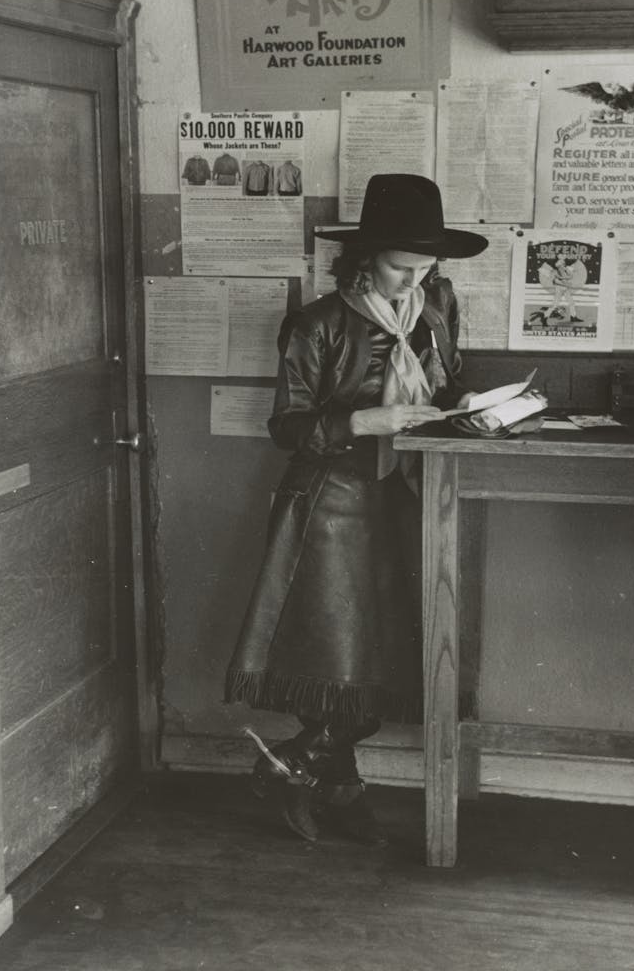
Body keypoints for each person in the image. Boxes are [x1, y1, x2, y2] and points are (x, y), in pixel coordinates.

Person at [224, 174, 488, 846]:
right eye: (403, 267)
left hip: (407, 496)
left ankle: (330, 784)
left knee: (386, 654)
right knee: (344, 657)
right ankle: (304, 772)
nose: (415, 280)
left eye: (427, 267)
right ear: (366, 257)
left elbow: (451, 382)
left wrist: (465, 408)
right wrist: (371, 418)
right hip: (333, 506)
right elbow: (287, 428)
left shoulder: (436, 307)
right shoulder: (317, 324)